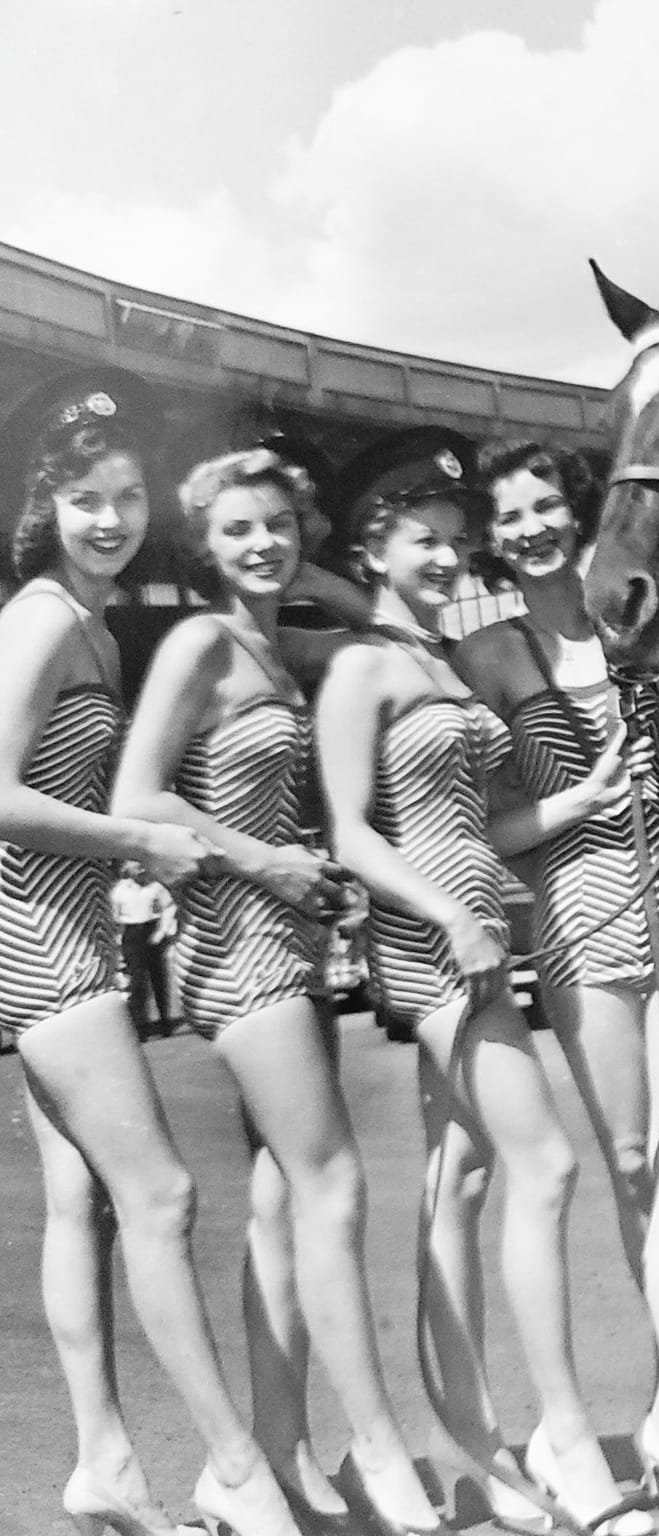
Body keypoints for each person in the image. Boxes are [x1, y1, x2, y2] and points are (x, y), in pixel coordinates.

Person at [315, 451, 656, 1531]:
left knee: (459, 1184)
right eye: (421, 534)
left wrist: (586, 797)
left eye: (453, 534)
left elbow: (486, 821)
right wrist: (450, 913)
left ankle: (463, 1443)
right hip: (432, 943)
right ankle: (564, 1438)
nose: (445, 551)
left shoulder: (444, 661)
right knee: (544, 1162)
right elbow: (346, 828)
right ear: (372, 548)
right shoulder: (365, 667)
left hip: (475, 932)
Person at [111, 448, 448, 1534]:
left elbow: (390, 633)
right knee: (333, 1184)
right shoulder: (205, 642)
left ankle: (272, 1454)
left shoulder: (272, 642)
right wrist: (266, 864)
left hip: (290, 943)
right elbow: (139, 794)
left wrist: (329, 577)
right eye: (238, 532)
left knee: (276, 1209)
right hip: (238, 943)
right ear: (202, 551)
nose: (264, 545)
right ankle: (380, 1451)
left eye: (278, 525)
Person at [0, 385, 309, 1536]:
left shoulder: (88, 617)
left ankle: (103, 1464)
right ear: (47, 505)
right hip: (39, 942)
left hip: (68, 929)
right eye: (85, 499)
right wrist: (140, 838)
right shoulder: (39, 617)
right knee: (164, 1195)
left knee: (82, 1202)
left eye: (129, 496)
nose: (111, 518)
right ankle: (233, 1465)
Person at [454, 439, 659, 1509]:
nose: (531, 526)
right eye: (510, 514)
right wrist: (583, 797)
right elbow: (483, 825)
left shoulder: (652, 620)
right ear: (494, 533)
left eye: (546, 507)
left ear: (578, 516)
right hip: (576, 915)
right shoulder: (482, 658)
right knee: (631, 1159)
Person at [110, 861, 176, 1037]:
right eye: (137, 867)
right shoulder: (119, 891)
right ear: (128, 870)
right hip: (132, 934)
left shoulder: (155, 887)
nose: (142, 870)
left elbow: (169, 907)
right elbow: (115, 916)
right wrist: (117, 940)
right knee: (137, 980)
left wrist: (162, 931)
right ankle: (141, 1026)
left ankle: (165, 1021)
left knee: (159, 978)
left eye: (143, 867)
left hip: (152, 930)